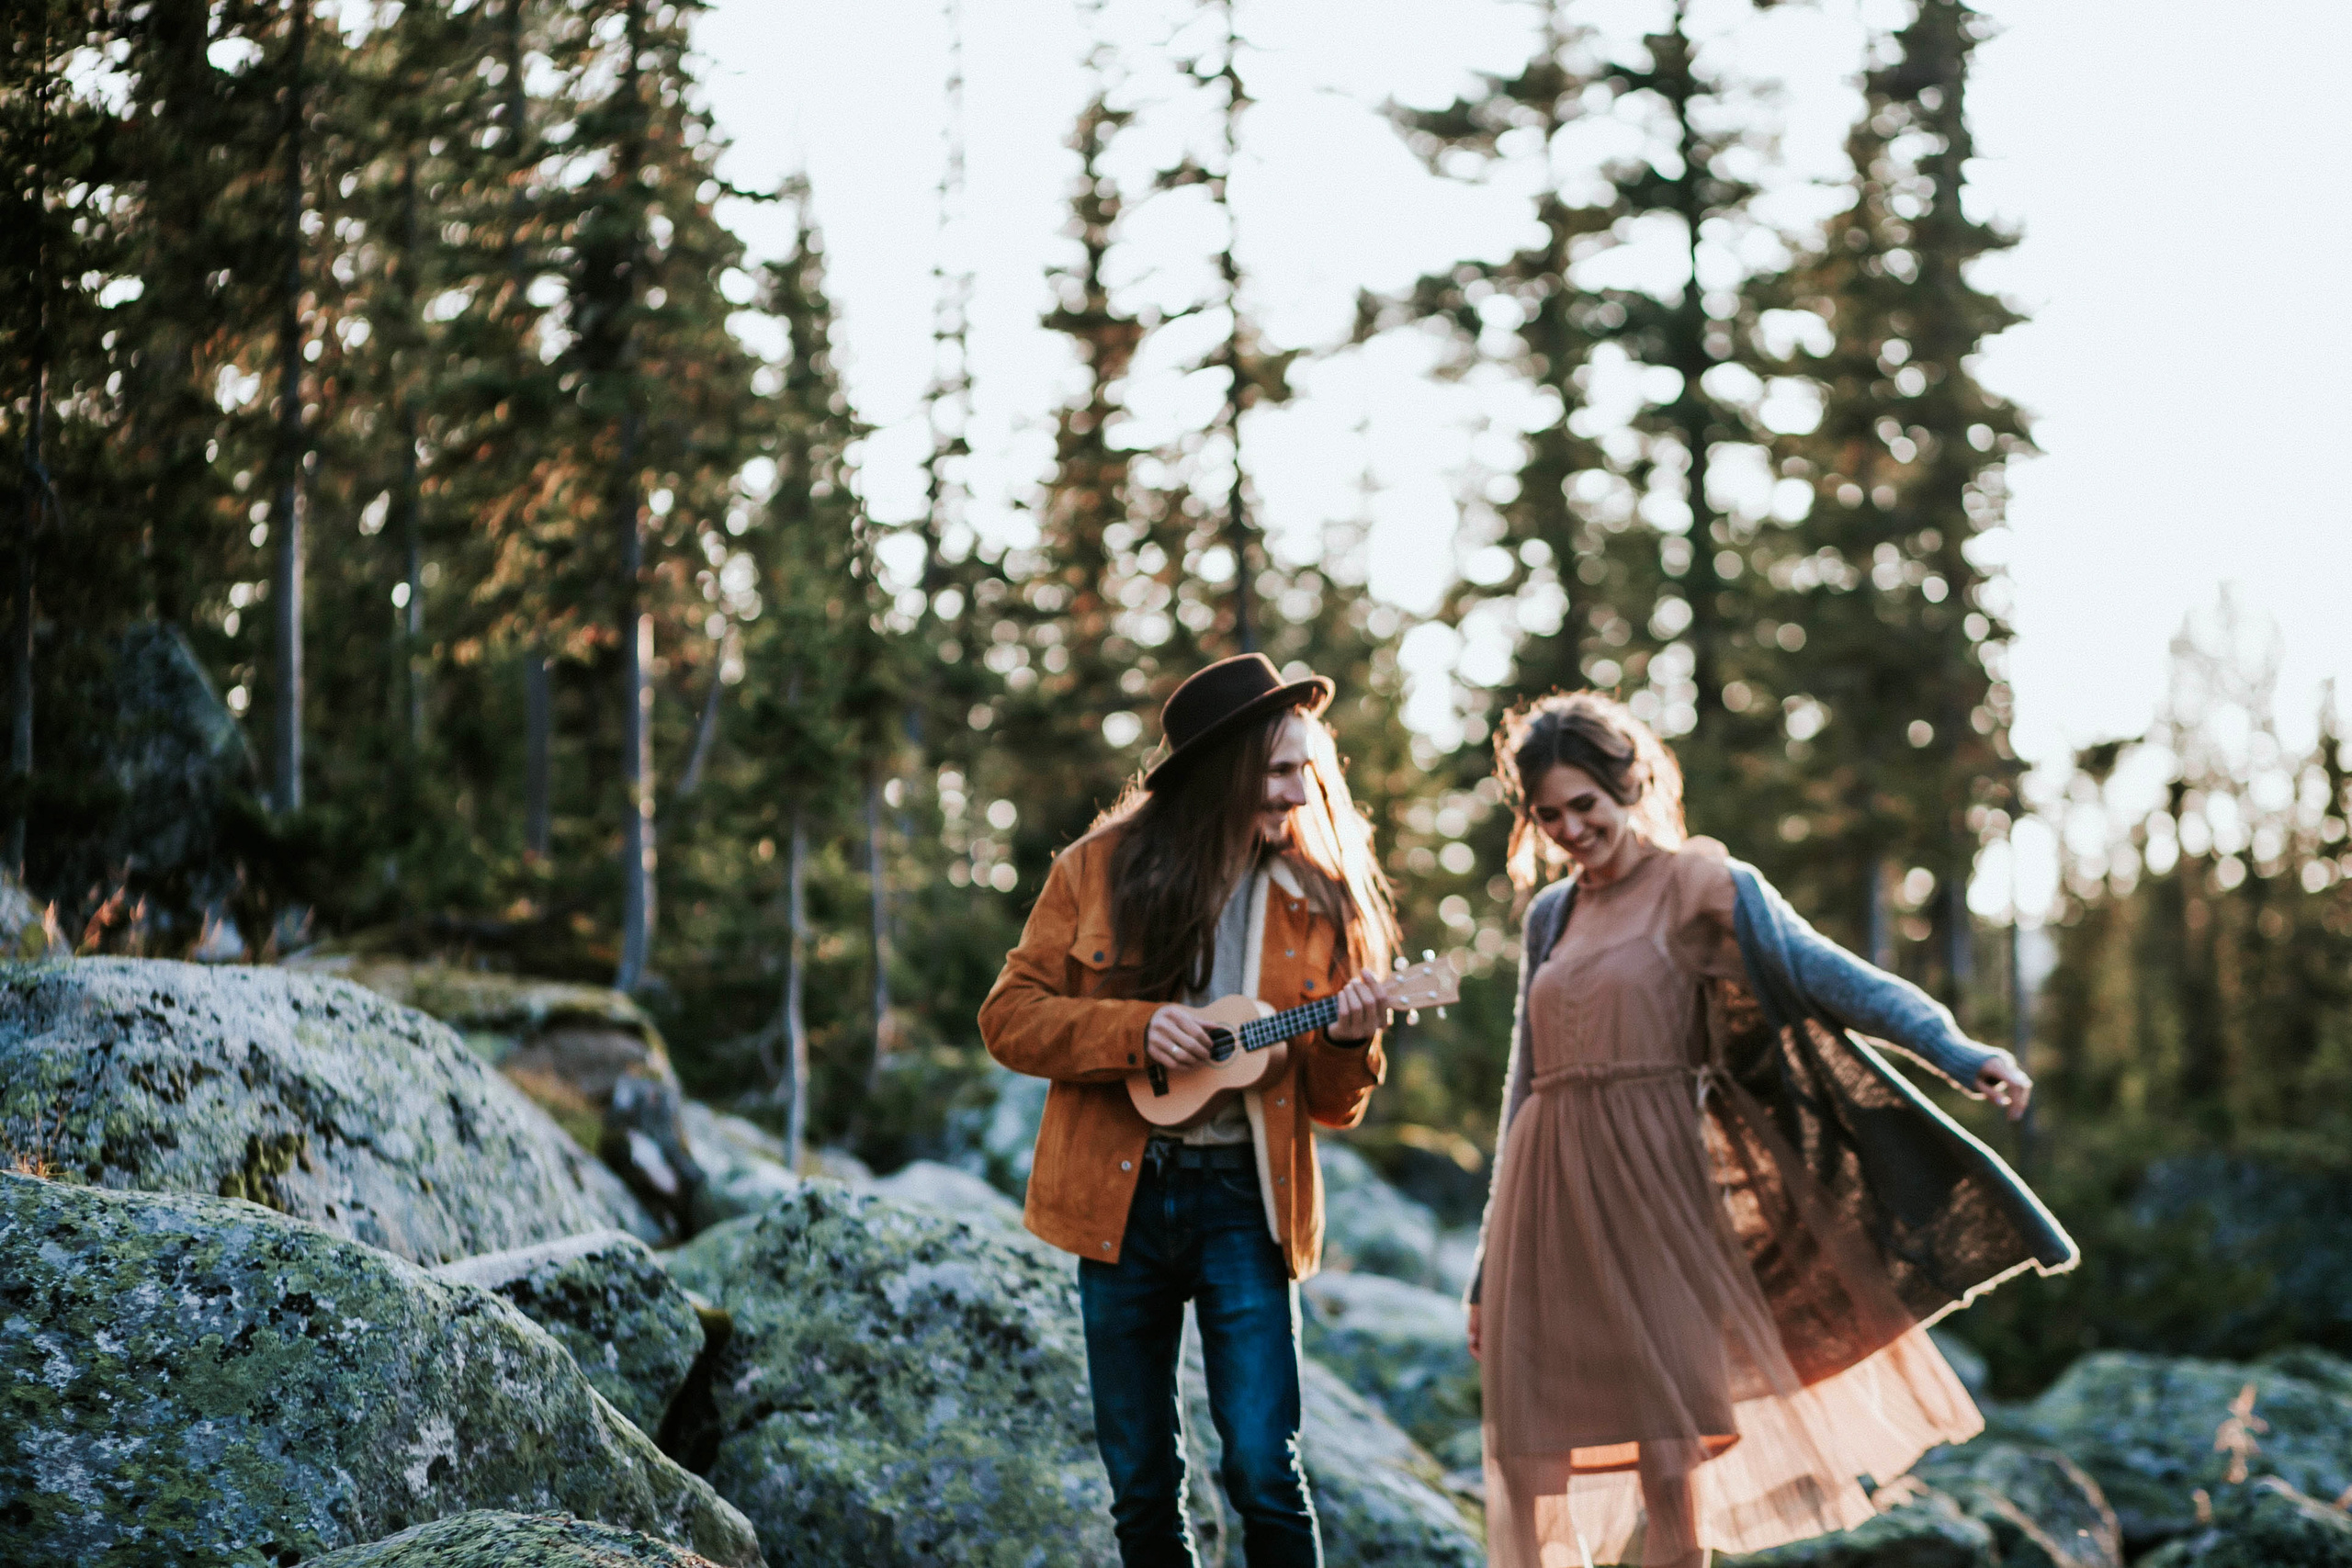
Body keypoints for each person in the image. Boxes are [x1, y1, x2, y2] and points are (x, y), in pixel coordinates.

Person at [1465, 692, 2076, 1568]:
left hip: (1657, 1197)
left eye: (1584, 805)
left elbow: (1830, 976)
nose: (1568, 828)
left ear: (1629, 783)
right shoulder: (1549, 917)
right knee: (1539, 1453)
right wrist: (1489, 1269)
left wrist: (1951, 1046)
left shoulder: (1703, 886)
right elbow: (1524, 1082)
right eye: (1548, 813)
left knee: (1669, 1450)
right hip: (1547, 1199)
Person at [979, 652, 1403, 1568]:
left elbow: (1335, 1110)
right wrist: (1134, 1032)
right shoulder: (1093, 870)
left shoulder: (1317, 900)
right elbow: (1007, 1021)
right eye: (1280, 771)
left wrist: (1343, 1039)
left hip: (1246, 1204)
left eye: (1305, 770)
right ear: (1223, 771)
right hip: (1116, 1203)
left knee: (1262, 1467)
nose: (1300, 793)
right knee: (1141, 1480)